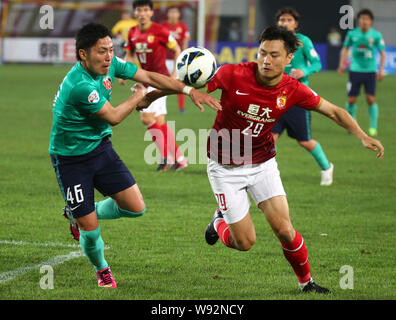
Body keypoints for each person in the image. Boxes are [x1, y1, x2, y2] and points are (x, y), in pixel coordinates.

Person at [198, 26, 383, 294]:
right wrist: (152, 95)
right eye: (262, 53)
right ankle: (219, 221)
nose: (266, 60)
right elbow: (189, 83)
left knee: (285, 230)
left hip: (263, 165)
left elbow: (333, 110)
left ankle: (306, 283)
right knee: (245, 243)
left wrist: (362, 135)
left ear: (289, 58)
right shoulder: (233, 74)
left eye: (274, 55)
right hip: (225, 169)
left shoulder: (293, 89)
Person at [49, 23, 220, 289]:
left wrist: (187, 90)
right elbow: (115, 116)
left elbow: (150, 77)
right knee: (91, 233)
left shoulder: (110, 65)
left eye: (110, 50)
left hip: (100, 148)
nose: (108, 57)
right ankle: (102, 269)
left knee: (136, 207)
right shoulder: (79, 85)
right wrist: (139, 96)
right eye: (101, 51)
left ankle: (79, 213)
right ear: (83, 54)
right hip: (70, 159)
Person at [271, 7, 334, 186]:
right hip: (276, 96)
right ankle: (266, 176)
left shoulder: (303, 42)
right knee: (270, 137)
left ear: (295, 24)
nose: (284, 23)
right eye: (282, 20)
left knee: (304, 141)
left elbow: (317, 63)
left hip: (298, 98)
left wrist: (303, 70)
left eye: (289, 20)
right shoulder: (272, 41)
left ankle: (326, 167)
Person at [123, 0, 186, 172]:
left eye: (145, 10)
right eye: (139, 10)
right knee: (158, 121)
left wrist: (174, 74)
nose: (142, 13)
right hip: (145, 80)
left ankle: (167, 158)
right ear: (135, 12)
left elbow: (177, 49)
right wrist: (123, 72)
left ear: (151, 13)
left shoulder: (160, 31)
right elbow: (129, 53)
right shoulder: (133, 32)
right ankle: (179, 159)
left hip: (159, 80)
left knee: (146, 118)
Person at [338, 8, 386, 137]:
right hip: (355, 70)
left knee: (370, 99)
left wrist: (381, 70)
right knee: (351, 99)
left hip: (370, 71)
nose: (364, 21)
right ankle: (351, 125)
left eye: (367, 19)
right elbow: (345, 48)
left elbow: (382, 52)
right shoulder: (352, 34)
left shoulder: (376, 35)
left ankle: (373, 128)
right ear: (359, 20)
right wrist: (341, 65)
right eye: (362, 19)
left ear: (371, 22)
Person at [162, 6, 190, 114]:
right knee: (160, 83)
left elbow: (185, 43)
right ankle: (157, 105)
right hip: (164, 59)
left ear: (179, 15)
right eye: (171, 12)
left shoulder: (183, 27)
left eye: (175, 12)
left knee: (180, 84)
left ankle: (181, 107)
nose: (173, 14)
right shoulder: (162, 26)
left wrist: (184, 58)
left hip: (177, 60)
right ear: (168, 14)